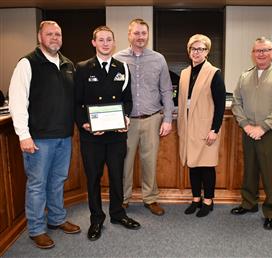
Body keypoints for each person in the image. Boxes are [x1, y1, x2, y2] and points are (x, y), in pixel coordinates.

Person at [8, 21, 81, 249]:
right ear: (40, 37)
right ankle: (36, 229)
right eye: (49, 34)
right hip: (38, 138)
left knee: (58, 180)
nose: (54, 38)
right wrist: (23, 135)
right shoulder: (28, 63)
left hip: (63, 136)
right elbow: (18, 102)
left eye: (58, 34)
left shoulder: (68, 64)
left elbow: (74, 101)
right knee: (37, 184)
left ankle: (57, 218)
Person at [74, 26, 140, 241]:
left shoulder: (123, 68)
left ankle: (118, 213)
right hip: (91, 136)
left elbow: (127, 100)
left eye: (109, 40)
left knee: (116, 176)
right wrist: (84, 123)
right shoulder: (83, 68)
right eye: (100, 40)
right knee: (93, 178)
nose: (105, 43)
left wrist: (127, 117)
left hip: (116, 135)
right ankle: (96, 218)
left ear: (114, 42)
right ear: (93, 42)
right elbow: (77, 102)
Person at [231, 37, 272, 230]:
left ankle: (271, 212)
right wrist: (246, 125)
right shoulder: (245, 76)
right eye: (257, 51)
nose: (261, 54)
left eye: (265, 50)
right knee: (249, 169)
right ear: (253, 53)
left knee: (271, 173)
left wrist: (263, 127)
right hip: (249, 131)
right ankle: (249, 204)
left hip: (271, 132)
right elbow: (236, 102)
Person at [114, 18, 174, 216]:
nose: (140, 37)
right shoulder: (118, 58)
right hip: (126, 121)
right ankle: (123, 199)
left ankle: (150, 199)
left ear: (147, 35)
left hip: (152, 119)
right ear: (129, 35)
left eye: (144, 33)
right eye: (136, 33)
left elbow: (166, 90)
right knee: (125, 162)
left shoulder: (158, 59)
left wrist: (167, 119)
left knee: (150, 161)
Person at [177, 34, 226, 217]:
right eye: (193, 49)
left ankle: (208, 200)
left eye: (201, 49)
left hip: (206, 128)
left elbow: (220, 104)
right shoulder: (184, 73)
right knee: (193, 164)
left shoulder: (214, 73)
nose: (197, 52)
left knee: (206, 165)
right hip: (189, 127)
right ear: (189, 51)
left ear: (207, 52)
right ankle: (196, 198)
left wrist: (215, 129)